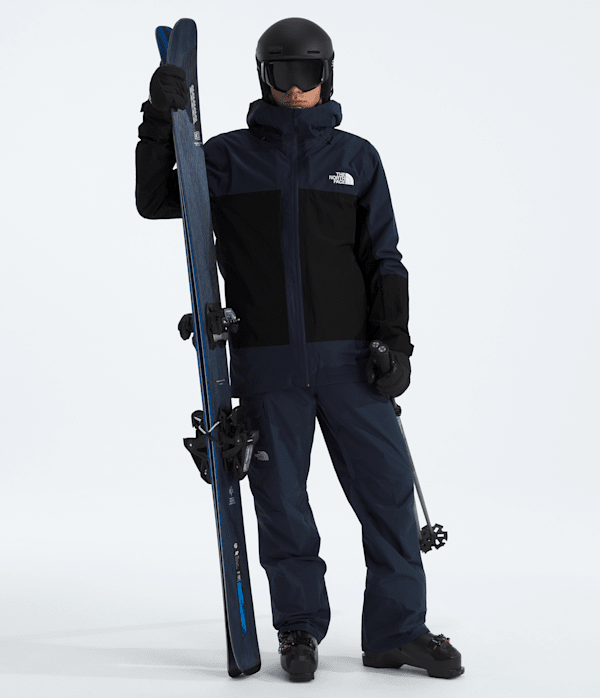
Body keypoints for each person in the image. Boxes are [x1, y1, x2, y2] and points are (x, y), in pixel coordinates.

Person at [136, 16, 464, 683]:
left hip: (351, 363)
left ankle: (396, 632)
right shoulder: (225, 158)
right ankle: (298, 628)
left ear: (326, 75)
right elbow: (156, 199)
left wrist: (394, 342)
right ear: (265, 76)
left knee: (388, 494)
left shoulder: (356, 158)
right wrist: (158, 123)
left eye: (307, 72)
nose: (295, 87)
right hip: (267, 362)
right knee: (282, 502)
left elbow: (385, 259)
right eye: (283, 73)